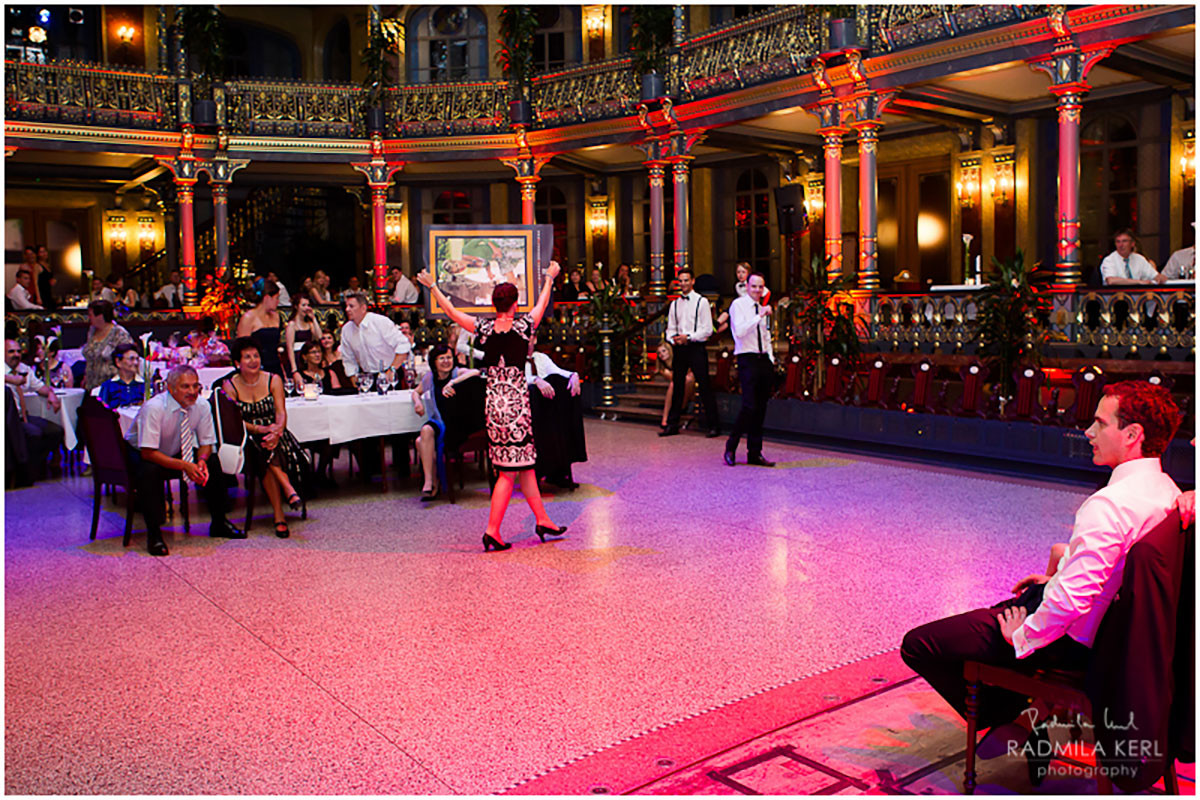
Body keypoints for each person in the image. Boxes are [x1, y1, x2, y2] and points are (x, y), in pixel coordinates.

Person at [900, 380, 1182, 781]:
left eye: (1100, 424)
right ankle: (1026, 716)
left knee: (920, 644)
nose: (1088, 433)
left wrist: (1023, 638)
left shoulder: (1109, 504)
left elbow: (1069, 603)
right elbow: (1113, 568)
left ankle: (1014, 717)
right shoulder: (1167, 490)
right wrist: (1062, 572)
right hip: (1105, 631)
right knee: (1006, 605)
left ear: (1132, 435)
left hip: (1069, 639)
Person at [417, 261, 567, 551]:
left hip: (494, 405)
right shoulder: (524, 326)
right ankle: (492, 532)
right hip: (515, 404)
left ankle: (542, 520)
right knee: (510, 471)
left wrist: (433, 286)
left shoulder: (483, 327)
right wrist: (549, 277)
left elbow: (451, 312)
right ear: (514, 303)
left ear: (495, 303)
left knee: (523, 465)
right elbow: (543, 301)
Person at [126, 365, 244, 555]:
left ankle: (219, 522)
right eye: (185, 387)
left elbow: (207, 442)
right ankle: (154, 534)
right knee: (150, 471)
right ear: (170, 388)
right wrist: (185, 465)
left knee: (213, 461)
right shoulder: (154, 408)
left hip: (174, 448)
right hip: (140, 453)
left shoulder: (202, 405)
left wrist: (201, 462)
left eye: (195, 386)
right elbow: (148, 452)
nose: (192, 392)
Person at [222, 337, 309, 538]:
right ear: (237, 363)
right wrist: (260, 430)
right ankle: (288, 490)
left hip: (276, 434)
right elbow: (235, 421)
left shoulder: (273, 379)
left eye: (256, 356)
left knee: (269, 451)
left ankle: (280, 515)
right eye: (247, 357)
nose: (253, 361)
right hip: (247, 437)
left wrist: (277, 432)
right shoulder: (230, 386)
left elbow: (281, 412)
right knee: (262, 449)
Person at [412, 343, 482, 501]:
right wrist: (418, 402)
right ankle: (431, 482)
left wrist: (454, 383)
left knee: (420, 441)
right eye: (441, 358)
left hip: (455, 425)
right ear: (434, 362)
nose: (446, 361)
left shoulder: (457, 373)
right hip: (439, 421)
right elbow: (416, 392)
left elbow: (477, 372)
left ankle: (432, 483)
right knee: (424, 434)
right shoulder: (430, 377)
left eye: (449, 357)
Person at [724, 272, 776, 467]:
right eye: (754, 286)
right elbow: (739, 331)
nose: (757, 290)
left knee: (761, 408)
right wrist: (758, 315)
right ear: (747, 286)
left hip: (763, 359)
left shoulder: (761, 307)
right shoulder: (738, 306)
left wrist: (771, 358)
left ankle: (755, 452)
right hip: (747, 358)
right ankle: (731, 445)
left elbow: (766, 335)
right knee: (748, 406)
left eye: (760, 287)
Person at [660, 267, 719, 438]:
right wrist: (674, 339)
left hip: (696, 347)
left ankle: (713, 426)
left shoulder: (702, 302)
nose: (683, 283)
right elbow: (670, 328)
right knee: (678, 386)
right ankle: (672, 424)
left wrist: (689, 337)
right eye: (681, 281)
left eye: (687, 280)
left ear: (692, 281)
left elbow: (707, 330)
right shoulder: (675, 304)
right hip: (680, 348)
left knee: (704, 385)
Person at [525, 331, 587, 488]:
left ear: (535, 339)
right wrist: (536, 380)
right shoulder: (513, 359)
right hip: (529, 411)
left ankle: (559, 470)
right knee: (539, 388)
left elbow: (558, 371)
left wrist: (574, 375)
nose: (527, 340)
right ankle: (542, 471)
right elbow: (517, 380)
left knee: (560, 382)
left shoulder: (541, 358)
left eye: (529, 337)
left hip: (550, 410)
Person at [5, 337, 63, 485]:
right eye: (11, 352)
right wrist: (10, 379)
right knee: (33, 433)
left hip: (22, 416)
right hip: (7, 420)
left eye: (18, 351)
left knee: (55, 431)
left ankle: (34, 465)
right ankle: (24, 473)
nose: (16, 355)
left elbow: (40, 386)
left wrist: (51, 394)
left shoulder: (24, 369)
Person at [339, 291, 411, 384]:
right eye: (346, 306)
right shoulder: (347, 329)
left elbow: (403, 345)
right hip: (367, 376)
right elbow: (348, 358)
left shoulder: (380, 322)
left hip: (389, 372)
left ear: (363, 308)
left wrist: (392, 369)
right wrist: (354, 379)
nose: (347, 309)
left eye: (351, 306)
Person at [81, 300, 134, 390]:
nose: (89, 318)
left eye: (91, 315)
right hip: (91, 386)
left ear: (100, 316)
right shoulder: (92, 331)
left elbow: (129, 361)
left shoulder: (119, 333)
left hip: (112, 388)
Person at [235, 279, 284, 376]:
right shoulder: (248, 318)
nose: (278, 302)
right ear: (267, 298)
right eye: (276, 298)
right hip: (256, 368)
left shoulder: (277, 317)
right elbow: (241, 349)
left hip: (275, 366)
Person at [655, 340, 694, 429]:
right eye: (659, 353)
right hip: (678, 389)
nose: (662, 354)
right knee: (674, 384)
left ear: (669, 350)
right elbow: (676, 379)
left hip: (688, 388)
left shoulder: (679, 360)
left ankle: (680, 408)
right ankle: (665, 418)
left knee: (689, 379)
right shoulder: (663, 368)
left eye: (664, 351)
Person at [284, 295, 323, 383]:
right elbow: (289, 347)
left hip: (307, 359)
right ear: (296, 306)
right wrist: (294, 369)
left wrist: (314, 318)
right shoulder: (292, 325)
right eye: (303, 305)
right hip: (297, 358)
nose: (306, 308)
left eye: (308, 305)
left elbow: (319, 337)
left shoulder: (309, 324)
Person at [96, 343, 145, 408]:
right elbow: (102, 410)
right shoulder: (108, 386)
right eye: (131, 359)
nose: (136, 363)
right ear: (118, 362)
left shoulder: (144, 385)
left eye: (137, 359)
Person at [34, 244, 56, 310]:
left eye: (45, 251)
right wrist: (38, 297)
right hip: (42, 293)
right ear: (37, 254)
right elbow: (35, 282)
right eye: (41, 252)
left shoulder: (48, 265)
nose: (44, 254)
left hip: (48, 291)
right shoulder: (37, 266)